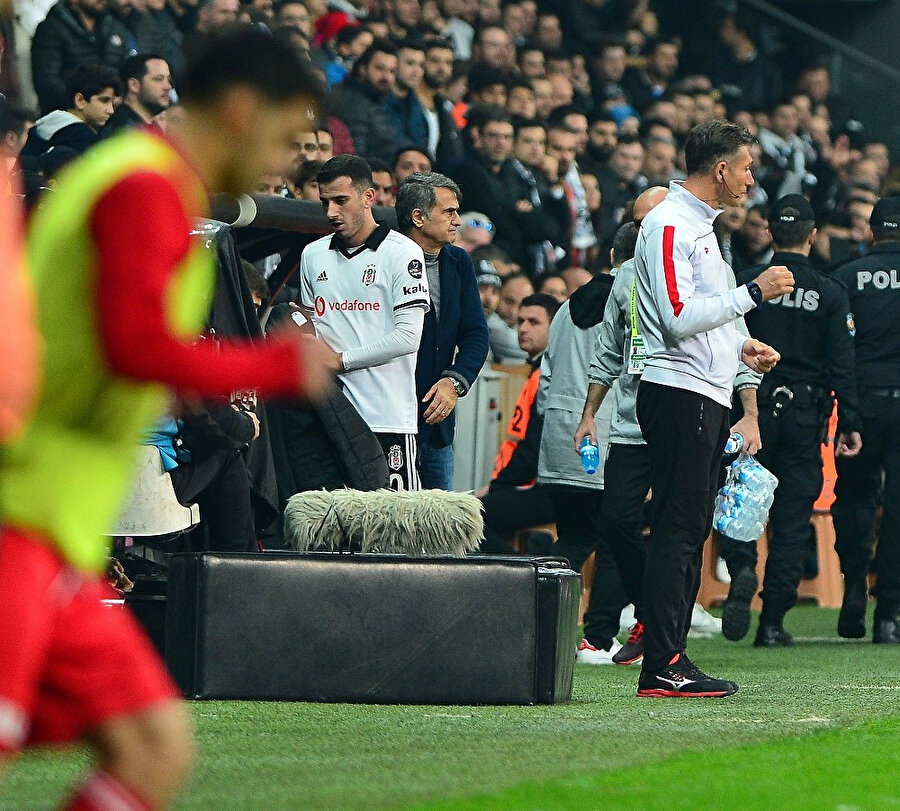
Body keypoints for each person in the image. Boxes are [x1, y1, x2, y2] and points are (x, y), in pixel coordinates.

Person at [0, 26, 332, 808]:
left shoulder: (145, 182)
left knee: (153, 745)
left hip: (57, 525)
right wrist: (275, 365)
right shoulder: (145, 185)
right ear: (243, 111)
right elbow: (136, 345)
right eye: (285, 137)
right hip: (20, 514)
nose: (285, 162)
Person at [630, 119, 793, 698]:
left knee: (688, 524)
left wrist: (740, 347)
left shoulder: (697, 228)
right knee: (680, 526)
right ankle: (662, 663)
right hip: (679, 390)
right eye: (747, 168)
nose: (752, 180)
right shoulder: (672, 225)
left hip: (701, 387)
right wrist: (753, 292)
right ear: (721, 170)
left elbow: (702, 315)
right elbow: (676, 318)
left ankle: (667, 654)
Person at [719, 194, 862, 647]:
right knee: (792, 518)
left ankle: (741, 565)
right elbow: (843, 365)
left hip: (748, 407)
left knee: (737, 494)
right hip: (804, 413)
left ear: (769, 233)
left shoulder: (746, 284)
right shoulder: (830, 291)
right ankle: (773, 622)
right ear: (813, 236)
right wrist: (850, 421)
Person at [299, 154, 430, 491]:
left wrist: (341, 360)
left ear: (368, 197)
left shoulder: (403, 253)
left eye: (341, 200)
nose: (331, 212)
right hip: (329, 416)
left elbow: (408, 337)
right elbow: (311, 328)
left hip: (385, 416)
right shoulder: (312, 255)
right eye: (325, 202)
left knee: (393, 530)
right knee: (330, 528)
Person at [831, 195, 900, 644]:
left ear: (871, 231)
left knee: (853, 500)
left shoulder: (844, 279)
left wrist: (848, 412)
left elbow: (839, 352)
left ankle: (855, 585)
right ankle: (890, 612)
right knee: (897, 507)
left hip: (861, 402)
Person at [396, 171, 489, 490]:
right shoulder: (385, 259)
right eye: (449, 211)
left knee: (440, 533)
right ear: (418, 217)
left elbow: (476, 333)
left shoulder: (458, 260)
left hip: (438, 427)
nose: (457, 220)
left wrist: (454, 382)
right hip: (392, 422)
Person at [479, 293, 560, 552]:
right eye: (521, 321)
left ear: (555, 328)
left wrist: (497, 488)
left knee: (467, 518)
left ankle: (520, 578)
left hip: (543, 489)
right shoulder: (539, 371)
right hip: (529, 485)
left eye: (534, 323)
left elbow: (533, 450)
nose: (523, 328)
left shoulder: (550, 375)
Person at [20, 62, 121, 168]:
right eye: (104, 101)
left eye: (112, 103)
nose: (110, 110)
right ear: (80, 100)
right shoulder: (81, 136)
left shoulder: (45, 124)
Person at [100, 53, 172, 139]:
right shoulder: (121, 132)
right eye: (159, 79)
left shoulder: (152, 129)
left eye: (168, 79)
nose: (168, 87)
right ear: (134, 85)